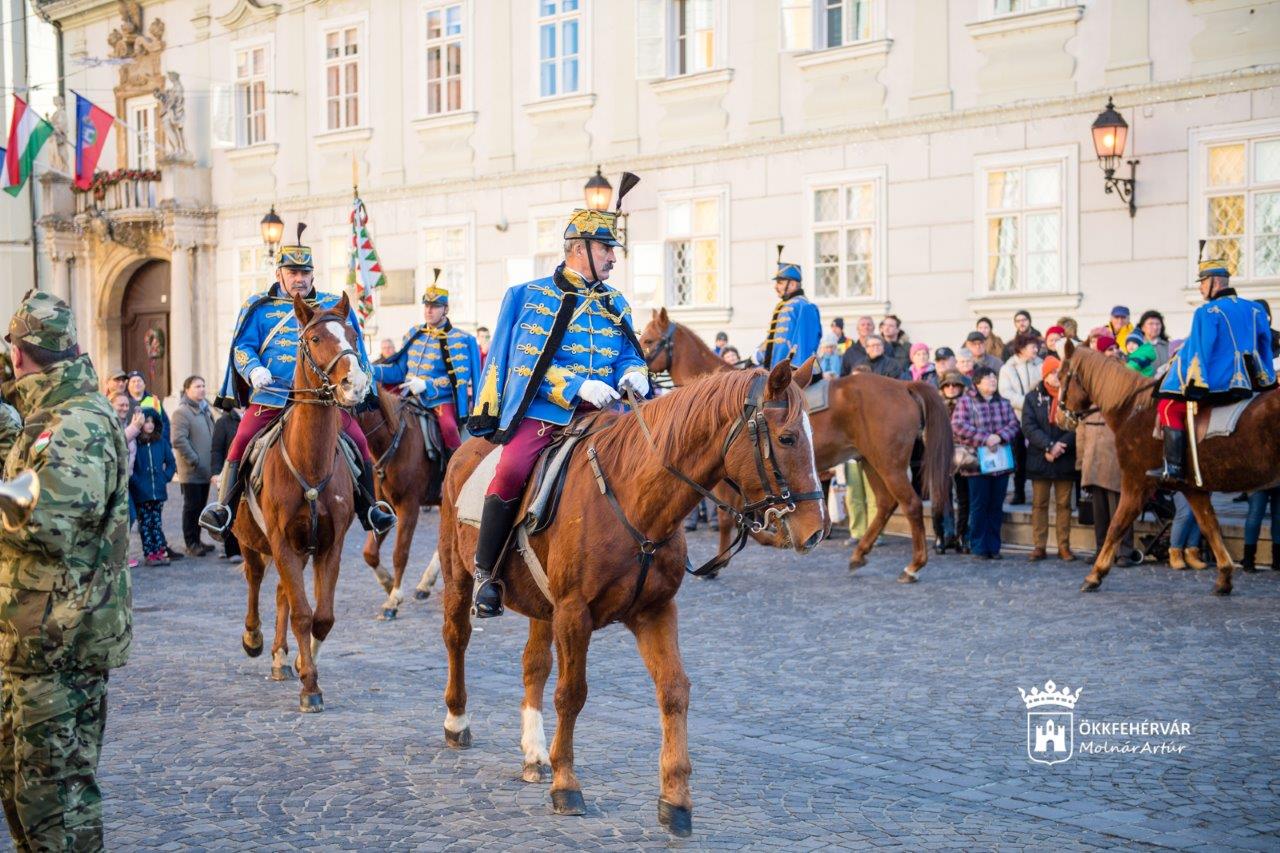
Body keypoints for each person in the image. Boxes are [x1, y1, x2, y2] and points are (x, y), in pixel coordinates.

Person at [467, 184, 648, 618]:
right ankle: (485, 573)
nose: (613, 257)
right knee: (510, 471)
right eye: (607, 248)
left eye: (612, 249)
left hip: (609, 415)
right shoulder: (532, 295)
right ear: (579, 249)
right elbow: (524, 364)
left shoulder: (614, 301)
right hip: (547, 413)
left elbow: (626, 348)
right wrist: (575, 386)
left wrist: (631, 369)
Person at [0, 290, 131, 851]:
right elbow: (32, 472)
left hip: (58, 644)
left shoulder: (76, 421)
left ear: (20, 352)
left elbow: (50, 522)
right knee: (25, 795)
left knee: (56, 809)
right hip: (30, 642)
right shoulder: (48, 415)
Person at [201, 224, 394, 540]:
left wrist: (358, 381)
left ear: (313, 275)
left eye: (305, 272)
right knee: (240, 441)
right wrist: (254, 370)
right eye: (292, 272)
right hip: (272, 395)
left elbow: (353, 346)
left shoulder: (332, 306)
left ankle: (370, 509)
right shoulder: (260, 308)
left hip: (323, 399)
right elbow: (242, 347)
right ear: (279, 274)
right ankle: (224, 510)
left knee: (359, 442)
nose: (299, 278)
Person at [1151, 256, 1276, 483]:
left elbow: (1200, 351)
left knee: (1167, 405)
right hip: (1249, 382)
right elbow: (1265, 344)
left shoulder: (1207, 312)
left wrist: (1194, 386)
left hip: (1221, 384)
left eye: (1202, 282)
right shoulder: (1256, 309)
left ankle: (1174, 469)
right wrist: (1266, 378)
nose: (1199, 288)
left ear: (1215, 282)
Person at [371, 269, 482, 501]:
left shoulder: (461, 339)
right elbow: (398, 370)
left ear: (446, 309)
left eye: (435, 306)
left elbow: (460, 381)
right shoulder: (415, 333)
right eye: (426, 306)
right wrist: (370, 369)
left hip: (440, 399)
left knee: (450, 428)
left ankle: (454, 477)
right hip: (409, 398)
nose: (429, 310)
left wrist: (428, 385)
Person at [951, 367, 1020, 559]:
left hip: (1000, 463)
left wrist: (998, 437)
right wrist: (985, 438)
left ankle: (994, 546)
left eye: (993, 377)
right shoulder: (966, 402)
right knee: (979, 505)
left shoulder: (1004, 402)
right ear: (977, 382)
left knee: (995, 506)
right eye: (987, 378)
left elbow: (1014, 425)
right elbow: (957, 425)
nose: (992, 380)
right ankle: (979, 546)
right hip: (976, 463)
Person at [1021, 357, 1076, 562]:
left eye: (1060, 372)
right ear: (1045, 375)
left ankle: (1064, 546)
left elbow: (1075, 423)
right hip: (1041, 456)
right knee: (1039, 504)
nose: (1057, 376)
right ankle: (1039, 545)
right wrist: (1048, 446)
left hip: (1064, 455)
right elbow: (1028, 426)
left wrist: (1061, 446)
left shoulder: (1070, 395)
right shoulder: (1032, 398)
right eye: (1053, 372)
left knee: (1064, 504)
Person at [170, 375, 215, 556]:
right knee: (191, 507)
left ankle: (198, 540)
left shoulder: (205, 409)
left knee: (200, 506)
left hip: (206, 470)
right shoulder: (182, 412)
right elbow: (178, 439)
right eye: (197, 386)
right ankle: (191, 543)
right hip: (192, 471)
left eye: (203, 386)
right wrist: (194, 459)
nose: (202, 389)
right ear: (187, 389)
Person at [759, 245, 821, 371]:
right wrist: (758, 354)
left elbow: (804, 343)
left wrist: (793, 369)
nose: (776, 287)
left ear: (792, 284)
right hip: (775, 369)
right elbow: (774, 340)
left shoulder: (804, 306)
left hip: (792, 371)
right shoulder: (782, 305)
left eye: (780, 283)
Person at [998, 332, 1042, 505]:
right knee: (1019, 456)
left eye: (1036, 346)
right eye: (1033, 346)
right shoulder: (1008, 368)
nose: (1036, 349)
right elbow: (1005, 392)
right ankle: (1019, 492)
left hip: (1039, 417)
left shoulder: (1041, 364)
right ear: (1022, 349)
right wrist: (1026, 403)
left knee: (1038, 454)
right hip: (1017, 416)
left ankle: (1039, 493)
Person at [130, 409, 176, 567]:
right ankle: (149, 554)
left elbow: (171, 463)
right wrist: (137, 482)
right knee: (145, 524)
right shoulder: (136, 443)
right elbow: (132, 467)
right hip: (142, 493)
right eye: (146, 422)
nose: (149, 425)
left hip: (158, 491)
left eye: (152, 422)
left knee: (156, 523)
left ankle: (159, 552)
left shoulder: (161, 442)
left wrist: (165, 477)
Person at [936, 371, 970, 553]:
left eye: (955, 385)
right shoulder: (935, 405)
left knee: (965, 496)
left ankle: (964, 535)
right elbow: (923, 429)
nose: (951, 388)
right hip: (941, 454)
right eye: (947, 385)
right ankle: (946, 534)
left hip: (963, 455)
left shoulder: (968, 404)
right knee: (943, 497)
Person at [210, 406, 243, 563]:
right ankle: (231, 549)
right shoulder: (223, 421)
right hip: (229, 470)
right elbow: (216, 450)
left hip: (250, 470)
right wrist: (216, 472)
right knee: (230, 508)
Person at [1242, 486, 1280, 572]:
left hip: (1259, 478)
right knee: (1277, 518)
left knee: (1255, 516)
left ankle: (1248, 561)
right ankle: (1277, 562)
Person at [1168, 492, 1206, 570]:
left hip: (1200, 485)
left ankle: (1192, 554)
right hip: (1179, 483)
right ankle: (1175, 554)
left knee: (1197, 514)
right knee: (1185, 513)